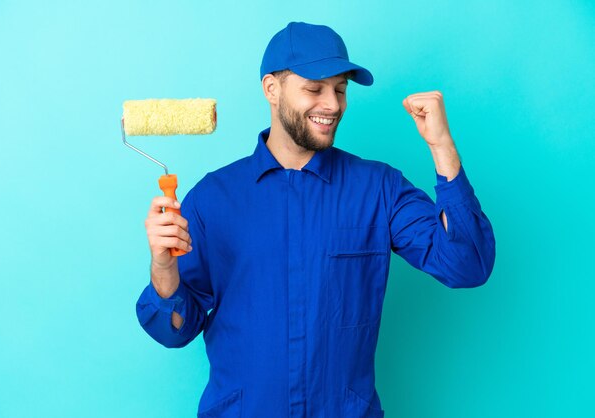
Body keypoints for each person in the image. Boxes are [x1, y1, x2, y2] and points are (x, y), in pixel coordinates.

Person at [136, 21, 495, 418]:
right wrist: (163, 266)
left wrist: (441, 146)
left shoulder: (379, 188)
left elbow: (467, 266)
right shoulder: (212, 198)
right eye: (314, 88)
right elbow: (173, 329)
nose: (333, 104)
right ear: (271, 89)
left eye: (340, 89)